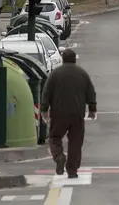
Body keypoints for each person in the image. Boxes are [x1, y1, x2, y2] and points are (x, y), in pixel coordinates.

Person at [41, 49, 97, 178]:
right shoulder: (82, 74)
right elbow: (90, 91)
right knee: (76, 142)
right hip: (77, 113)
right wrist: (92, 108)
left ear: (63, 59)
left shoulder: (55, 74)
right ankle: (72, 170)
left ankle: (59, 156)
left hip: (59, 113)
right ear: (75, 59)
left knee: (55, 137)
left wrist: (44, 109)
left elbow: (46, 92)